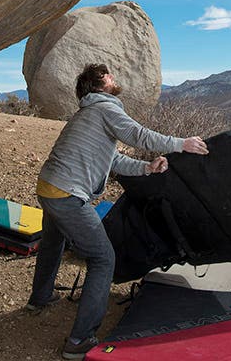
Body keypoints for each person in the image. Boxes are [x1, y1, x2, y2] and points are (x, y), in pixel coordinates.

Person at [26, 63, 209, 360]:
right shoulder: (105, 109)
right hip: (67, 194)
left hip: (49, 188)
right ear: (98, 85)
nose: (114, 78)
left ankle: (40, 297)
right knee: (102, 258)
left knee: (53, 241)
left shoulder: (88, 114)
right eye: (109, 75)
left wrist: (147, 168)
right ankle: (80, 340)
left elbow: (114, 161)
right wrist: (180, 144)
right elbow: (138, 134)